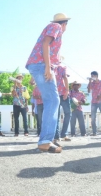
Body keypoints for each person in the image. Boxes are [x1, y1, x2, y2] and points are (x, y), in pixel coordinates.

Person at [26, 13, 70, 153]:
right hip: (41, 64)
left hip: (37, 64)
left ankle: (46, 139)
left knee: (50, 100)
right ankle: (45, 141)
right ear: (65, 24)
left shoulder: (53, 26)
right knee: (53, 100)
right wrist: (47, 66)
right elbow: (46, 43)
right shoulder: (56, 26)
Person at [54, 65, 72, 141]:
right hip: (62, 93)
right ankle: (63, 134)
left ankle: (56, 136)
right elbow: (65, 77)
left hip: (54, 94)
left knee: (56, 115)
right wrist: (67, 91)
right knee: (68, 114)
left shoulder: (50, 67)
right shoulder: (62, 67)